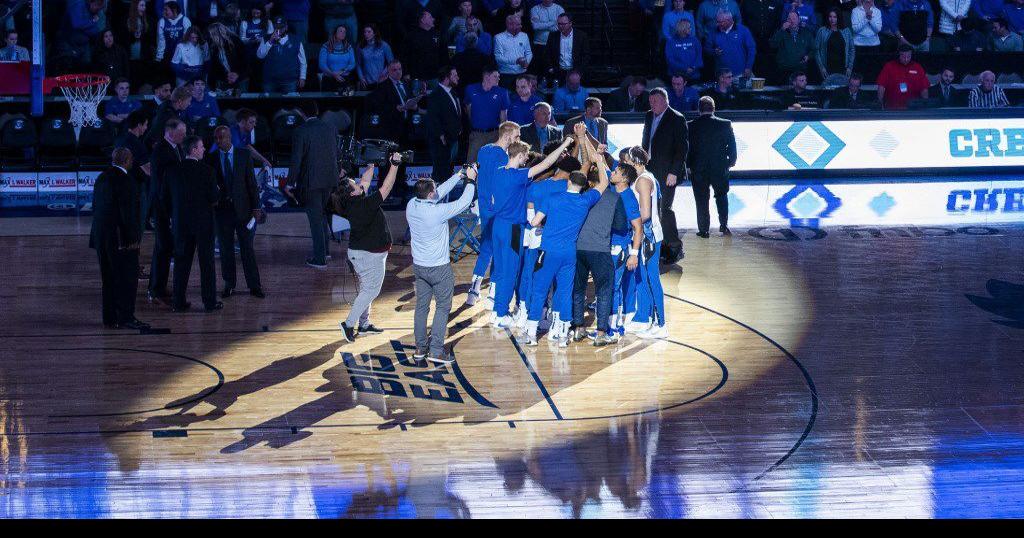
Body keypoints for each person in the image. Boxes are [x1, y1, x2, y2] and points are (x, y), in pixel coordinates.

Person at [523, 135, 607, 345]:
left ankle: (532, 333)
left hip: (548, 250)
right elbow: (604, 182)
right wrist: (598, 159)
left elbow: (534, 222)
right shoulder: (586, 200)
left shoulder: (553, 198)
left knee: (540, 288)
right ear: (583, 184)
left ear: (569, 180)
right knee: (564, 290)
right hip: (569, 253)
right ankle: (560, 333)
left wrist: (542, 224)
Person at [489, 135, 576, 328]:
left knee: (501, 269)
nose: (527, 159)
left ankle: (497, 311)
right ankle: (501, 314)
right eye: (525, 156)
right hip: (513, 228)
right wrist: (565, 144)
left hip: (497, 226)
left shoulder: (497, 172)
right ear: (518, 155)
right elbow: (546, 164)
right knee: (511, 271)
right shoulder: (517, 175)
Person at [406, 164, 480, 362]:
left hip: (419, 266)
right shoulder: (437, 213)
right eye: (434, 190)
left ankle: (420, 349)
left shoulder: (412, 204)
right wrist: (470, 180)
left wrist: (458, 175)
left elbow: (439, 192)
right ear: (430, 195)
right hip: (439, 268)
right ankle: (436, 350)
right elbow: (464, 202)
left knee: (422, 307)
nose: (437, 192)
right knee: (443, 307)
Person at [331, 153, 403, 341]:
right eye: (354, 183)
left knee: (366, 288)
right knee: (371, 290)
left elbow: (364, 180)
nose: (358, 182)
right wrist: (394, 165)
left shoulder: (353, 201)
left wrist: (372, 163)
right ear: (353, 192)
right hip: (368, 255)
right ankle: (348, 324)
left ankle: (364, 325)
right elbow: (386, 188)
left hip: (364, 254)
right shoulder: (363, 205)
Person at [570, 141, 631, 346]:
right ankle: (602, 333)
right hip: (600, 248)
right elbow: (622, 226)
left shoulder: (581, 194)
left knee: (578, 288)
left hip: (578, 248)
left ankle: (578, 328)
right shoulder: (615, 198)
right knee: (604, 289)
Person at [91, 147, 150, 331]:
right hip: (120, 239)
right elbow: (128, 214)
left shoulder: (102, 177)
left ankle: (110, 318)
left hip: (102, 237)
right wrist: (132, 239)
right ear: (127, 161)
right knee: (127, 279)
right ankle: (125, 317)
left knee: (108, 278)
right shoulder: (126, 181)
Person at [206, 126, 264, 299]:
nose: (217, 141)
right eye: (215, 138)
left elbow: (251, 183)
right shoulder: (212, 158)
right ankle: (229, 284)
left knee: (247, 249)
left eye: (221, 138)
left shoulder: (243, 155)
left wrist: (256, 208)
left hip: (244, 211)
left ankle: (254, 285)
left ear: (229, 137)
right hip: (222, 212)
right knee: (225, 250)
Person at [167, 135, 222, 313]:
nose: (204, 149)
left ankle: (178, 302)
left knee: (181, 262)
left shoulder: (172, 171)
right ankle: (209, 302)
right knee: (207, 263)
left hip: (181, 224)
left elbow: (164, 197)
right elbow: (214, 198)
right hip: (203, 224)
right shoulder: (207, 171)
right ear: (193, 150)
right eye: (201, 147)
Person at [287, 100, 340, 269]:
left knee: (316, 219)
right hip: (330, 180)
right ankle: (325, 252)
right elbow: (336, 153)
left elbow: (296, 159)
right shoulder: (330, 128)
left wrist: (289, 183)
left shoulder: (300, 131)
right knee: (322, 214)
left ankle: (320, 259)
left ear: (302, 114)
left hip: (312, 182)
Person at [641, 88, 688, 264]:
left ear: (666, 101)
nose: (652, 105)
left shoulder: (677, 118)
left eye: (656, 101)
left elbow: (682, 149)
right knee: (653, 209)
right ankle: (662, 246)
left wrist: (674, 172)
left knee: (664, 209)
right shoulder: (648, 116)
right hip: (650, 168)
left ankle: (675, 246)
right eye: (650, 101)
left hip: (668, 172)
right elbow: (646, 141)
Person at [147, 118, 186, 304]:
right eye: (182, 132)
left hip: (167, 205)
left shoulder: (173, 147)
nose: (185, 135)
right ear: (171, 132)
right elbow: (162, 185)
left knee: (164, 248)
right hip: (163, 206)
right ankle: (156, 290)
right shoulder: (162, 151)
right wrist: (169, 211)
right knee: (163, 248)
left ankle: (157, 287)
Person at [687, 95, 737, 240]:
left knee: (701, 200)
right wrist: (730, 162)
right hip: (719, 167)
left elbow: (687, 149)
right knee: (721, 196)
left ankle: (704, 230)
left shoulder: (690, 125)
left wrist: (688, 165)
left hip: (698, 168)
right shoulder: (725, 124)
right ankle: (723, 224)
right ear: (714, 109)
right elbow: (732, 146)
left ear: (699, 109)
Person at [607, 160, 643, 338]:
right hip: (607, 246)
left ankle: (615, 327)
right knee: (610, 285)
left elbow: (638, 228)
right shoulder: (613, 189)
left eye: (615, 171)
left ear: (624, 178)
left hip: (619, 248)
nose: (612, 173)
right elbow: (601, 165)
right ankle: (611, 324)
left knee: (614, 285)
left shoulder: (628, 199)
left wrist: (633, 255)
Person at [114, 111, 152, 241]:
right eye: (146, 124)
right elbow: (149, 170)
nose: (146, 128)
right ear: (139, 125)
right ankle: (133, 252)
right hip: (135, 190)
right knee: (137, 225)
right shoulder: (138, 145)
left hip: (119, 188)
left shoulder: (119, 140)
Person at [426, 66, 463, 184]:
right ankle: (436, 197)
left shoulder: (453, 92)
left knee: (448, 170)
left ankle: (445, 196)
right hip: (441, 142)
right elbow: (433, 118)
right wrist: (441, 136)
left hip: (452, 139)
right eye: (454, 75)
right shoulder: (435, 95)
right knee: (440, 171)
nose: (458, 77)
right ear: (447, 78)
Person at [464, 68, 510, 163]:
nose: (498, 79)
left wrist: (503, 136)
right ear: (486, 77)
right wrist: (474, 124)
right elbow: (468, 108)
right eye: (495, 76)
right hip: (477, 134)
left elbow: (503, 117)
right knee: (471, 164)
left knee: (496, 163)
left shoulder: (502, 92)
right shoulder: (471, 89)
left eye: (499, 76)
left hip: (495, 134)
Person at [256, 21, 307, 93]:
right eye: (276, 27)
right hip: (270, 81)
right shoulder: (266, 38)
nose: (278, 30)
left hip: (290, 81)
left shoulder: (296, 40)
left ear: (286, 27)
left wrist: (302, 77)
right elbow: (260, 56)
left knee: (289, 104)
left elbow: (303, 61)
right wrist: (270, 41)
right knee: (268, 104)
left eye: (281, 27)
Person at [706, 11, 756, 80]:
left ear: (729, 21)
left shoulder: (743, 30)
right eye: (717, 21)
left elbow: (751, 49)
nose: (717, 24)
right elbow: (706, 48)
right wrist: (714, 52)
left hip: (741, 74)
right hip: (722, 76)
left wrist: (748, 67)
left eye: (720, 22)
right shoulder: (713, 31)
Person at [876, 44, 929, 109]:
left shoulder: (918, 67)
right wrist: (880, 104)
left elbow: (924, 88)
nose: (906, 59)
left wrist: (926, 105)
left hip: (914, 108)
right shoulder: (889, 66)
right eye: (903, 57)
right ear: (898, 55)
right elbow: (881, 86)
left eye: (908, 56)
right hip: (892, 107)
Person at [771, 11, 815, 84]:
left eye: (794, 18)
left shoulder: (806, 33)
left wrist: (808, 56)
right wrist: (782, 30)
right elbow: (773, 44)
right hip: (784, 70)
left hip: (801, 70)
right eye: (789, 19)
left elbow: (814, 49)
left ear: (799, 20)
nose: (792, 21)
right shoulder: (781, 31)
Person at [402, 10, 446, 83]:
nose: (433, 19)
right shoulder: (411, 36)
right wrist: (406, 72)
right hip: (416, 77)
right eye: (430, 17)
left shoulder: (437, 34)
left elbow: (443, 54)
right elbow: (404, 56)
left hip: (435, 76)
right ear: (422, 20)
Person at [544, 13, 587, 83]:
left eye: (564, 24)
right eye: (559, 24)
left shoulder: (581, 36)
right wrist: (550, 68)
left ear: (570, 23)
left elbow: (586, 55)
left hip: (575, 72)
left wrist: (580, 71)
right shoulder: (553, 36)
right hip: (558, 72)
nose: (561, 26)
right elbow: (547, 54)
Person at [815, 8, 855, 80]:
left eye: (834, 17)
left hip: (843, 67)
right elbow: (816, 50)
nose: (832, 19)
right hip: (827, 67)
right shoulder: (822, 31)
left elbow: (852, 50)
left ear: (838, 18)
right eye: (830, 16)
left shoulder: (846, 31)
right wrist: (822, 67)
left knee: (841, 89)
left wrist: (849, 67)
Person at [493, 14, 532, 86]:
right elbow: (498, 58)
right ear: (509, 25)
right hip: (506, 75)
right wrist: (516, 61)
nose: (521, 26)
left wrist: (526, 63)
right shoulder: (498, 38)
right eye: (518, 24)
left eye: (520, 24)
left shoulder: (524, 36)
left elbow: (529, 52)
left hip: (522, 74)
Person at [356, 23, 395, 89]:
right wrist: (361, 77)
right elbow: (358, 64)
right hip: (367, 81)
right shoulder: (360, 46)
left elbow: (391, 62)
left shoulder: (383, 45)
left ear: (374, 33)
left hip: (381, 80)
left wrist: (384, 73)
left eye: (369, 32)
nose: (366, 34)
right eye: (365, 32)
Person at [320, 24, 357, 91]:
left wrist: (341, 71)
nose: (343, 33)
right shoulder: (325, 46)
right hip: (329, 80)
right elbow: (322, 64)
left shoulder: (348, 47)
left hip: (344, 79)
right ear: (335, 33)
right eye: (340, 31)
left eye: (344, 32)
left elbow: (352, 64)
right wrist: (333, 74)